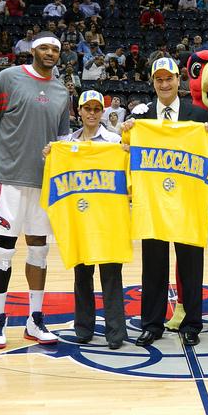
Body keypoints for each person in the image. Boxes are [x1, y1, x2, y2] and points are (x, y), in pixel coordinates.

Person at [0, 32, 70, 349]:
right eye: (44, 47)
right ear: (32, 50)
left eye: (55, 49)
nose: (49, 53)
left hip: (43, 184)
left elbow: (63, 140)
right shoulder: (8, 78)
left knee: (39, 251)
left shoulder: (61, 91)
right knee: (4, 250)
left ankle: (35, 320)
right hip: (8, 178)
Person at [124, 58, 208, 347]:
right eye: (159, 80)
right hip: (153, 203)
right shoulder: (141, 120)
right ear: (153, 83)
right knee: (153, 266)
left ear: (179, 80)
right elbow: (126, 154)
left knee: (191, 265)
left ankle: (192, 324)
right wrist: (126, 135)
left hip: (187, 203)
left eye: (169, 79)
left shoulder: (199, 116)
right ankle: (151, 324)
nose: (164, 84)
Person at [43, 91, 127, 349]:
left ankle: (115, 333)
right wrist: (49, 155)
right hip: (80, 218)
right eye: (87, 108)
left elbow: (129, 170)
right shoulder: (66, 143)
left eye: (96, 108)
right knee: (82, 275)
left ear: (103, 111)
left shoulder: (115, 141)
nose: (92, 113)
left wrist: (126, 152)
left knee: (111, 275)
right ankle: (84, 328)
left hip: (108, 218)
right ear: (78, 111)